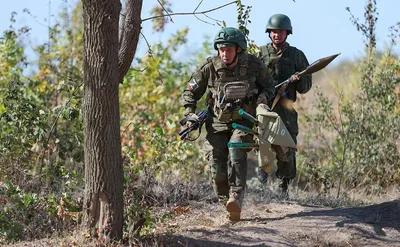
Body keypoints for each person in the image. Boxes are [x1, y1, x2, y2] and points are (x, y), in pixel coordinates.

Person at [180, 27, 275, 221]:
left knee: (236, 149)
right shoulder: (210, 67)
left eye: (229, 49)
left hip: (244, 121)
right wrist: (189, 114)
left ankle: (237, 197)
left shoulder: (254, 66)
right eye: (221, 49)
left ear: (239, 50)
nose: (224, 53)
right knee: (217, 166)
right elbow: (190, 92)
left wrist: (263, 98)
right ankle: (227, 202)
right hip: (216, 123)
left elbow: (270, 86)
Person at [256, 14, 312, 196]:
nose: (276, 35)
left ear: (287, 33)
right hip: (265, 106)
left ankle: (283, 186)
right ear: (269, 33)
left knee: (287, 146)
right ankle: (262, 176)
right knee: (262, 141)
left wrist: (298, 79)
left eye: (280, 32)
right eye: (273, 32)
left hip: (286, 107)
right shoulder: (260, 53)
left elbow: (305, 88)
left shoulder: (296, 55)